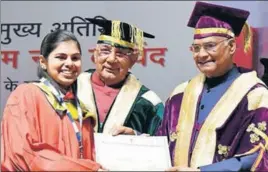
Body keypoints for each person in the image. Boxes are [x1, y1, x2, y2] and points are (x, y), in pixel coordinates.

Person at [156, 2, 268, 171]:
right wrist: (134, 139)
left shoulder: (254, 96)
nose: (201, 54)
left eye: (210, 46)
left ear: (231, 46)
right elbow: (161, 141)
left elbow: (257, 155)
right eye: (196, 48)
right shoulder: (180, 94)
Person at [1, 29, 106, 171]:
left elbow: (90, 156)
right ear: (43, 62)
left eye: (75, 58)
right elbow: (23, 153)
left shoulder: (82, 111)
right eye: (61, 57)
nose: (69, 63)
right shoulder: (27, 95)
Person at [77, 19, 164, 136]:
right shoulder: (72, 88)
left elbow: (162, 143)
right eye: (105, 51)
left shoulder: (148, 103)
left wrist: (136, 136)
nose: (111, 59)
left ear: (133, 60)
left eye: (121, 54)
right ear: (95, 55)